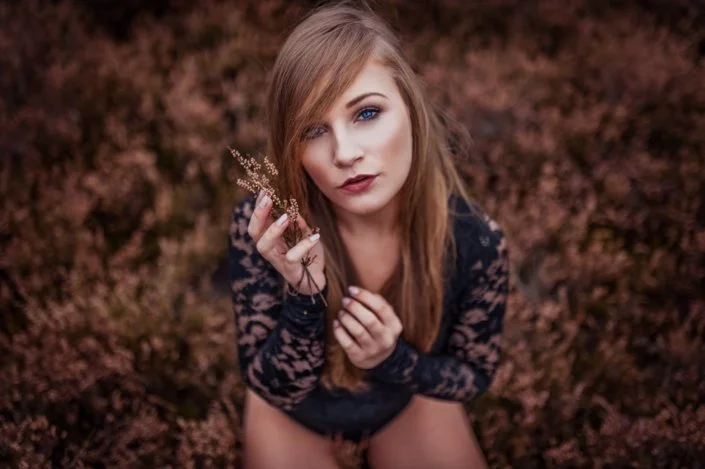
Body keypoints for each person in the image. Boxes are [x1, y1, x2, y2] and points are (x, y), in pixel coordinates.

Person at [228, 2, 510, 468]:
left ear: (411, 108)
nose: (344, 152)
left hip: (405, 404)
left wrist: (393, 360)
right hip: (293, 417)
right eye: (314, 129)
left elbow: (474, 375)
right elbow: (273, 386)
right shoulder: (268, 230)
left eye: (366, 113)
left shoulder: (476, 243)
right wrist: (303, 295)